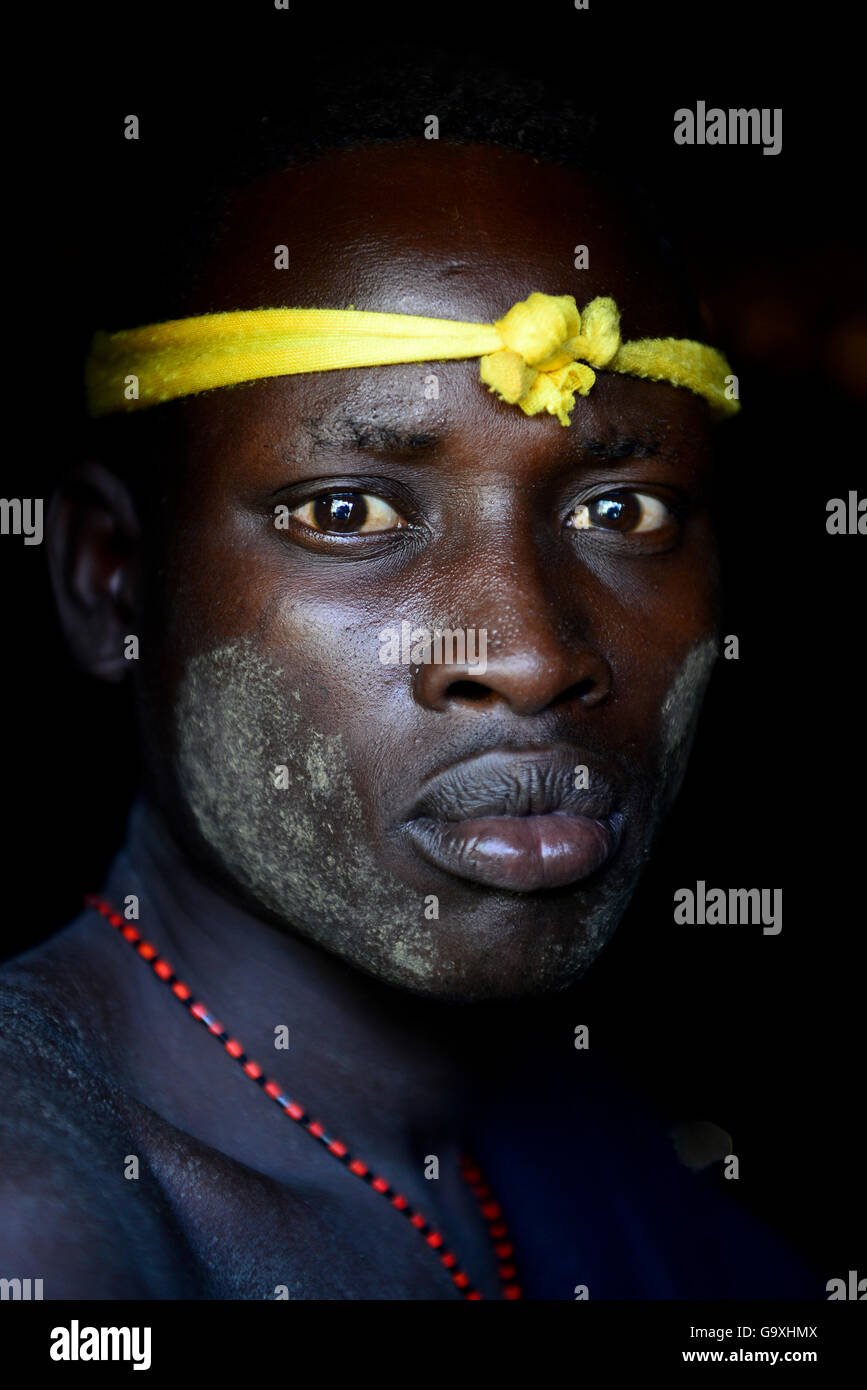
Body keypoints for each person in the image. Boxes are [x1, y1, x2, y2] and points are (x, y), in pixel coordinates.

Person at [0, 67, 820, 1300]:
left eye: (622, 507)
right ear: (112, 577)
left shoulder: (621, 1169)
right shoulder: (50, 1235)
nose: (533, 654)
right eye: (348, 509)